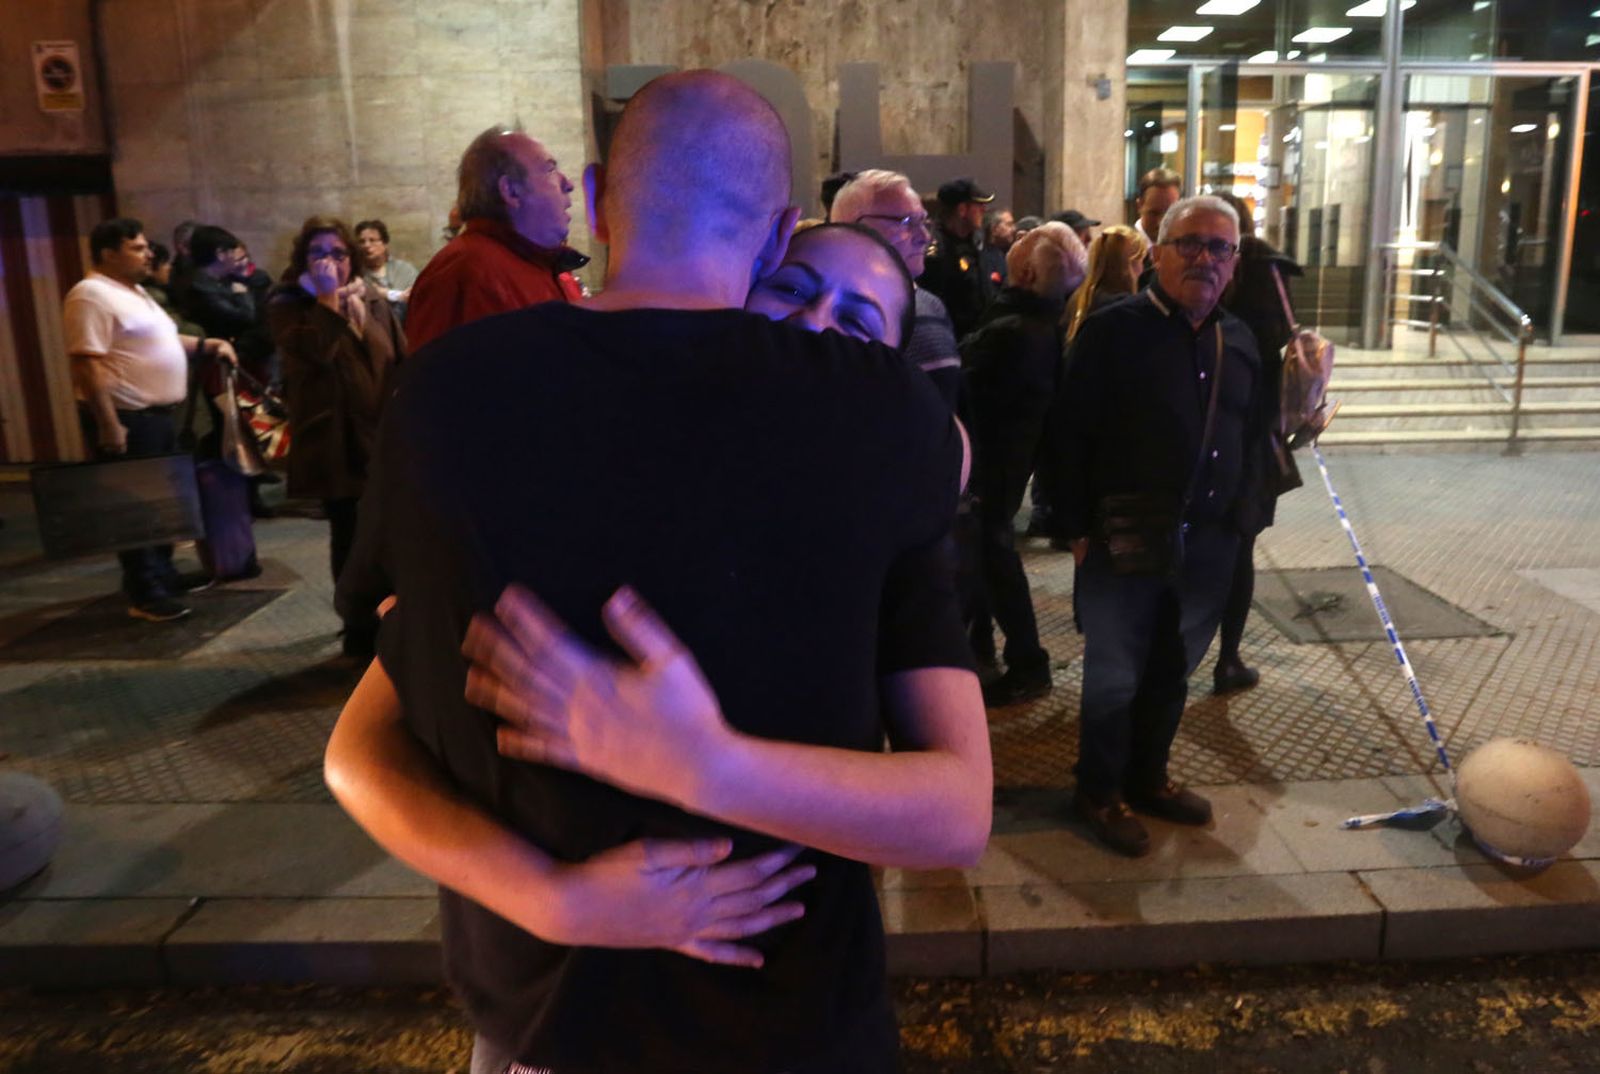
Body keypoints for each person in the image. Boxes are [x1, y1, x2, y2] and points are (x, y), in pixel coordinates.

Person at [324, 70, 990, 1074]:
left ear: (593, 198)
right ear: (772, 239)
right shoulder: (884, 421)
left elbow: (365, 746)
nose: (818, 332)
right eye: (799, 291)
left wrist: (683, 778)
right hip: (776, 1018)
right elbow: (363, 745)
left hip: (541, 1014)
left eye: (855, 321)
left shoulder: (444, 397)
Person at [1044, 195, 1260, 857]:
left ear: (1233, 262)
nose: (1203, 257)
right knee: (1114, 675)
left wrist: (1243, 523)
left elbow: (1252, 437)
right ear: (1157, 252)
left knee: (1174, 669)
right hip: (1122, 540)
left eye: (1218, 248)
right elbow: (1065, 435)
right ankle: (1099, 789)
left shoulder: (1241, 338)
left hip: (1210, 543)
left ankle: (1149, 777)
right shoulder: (1113, 330)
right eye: (1188, 243)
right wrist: (1075, 529)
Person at [62, 217, 237, 622]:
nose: (147, 254)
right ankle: (145, 591)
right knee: (135, 509)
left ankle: (162, 573)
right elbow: (86, 363)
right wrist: (108, 423)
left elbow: (163, 340)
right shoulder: (90, 295)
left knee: (161, 504)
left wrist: (208, 345)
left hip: (159, 417)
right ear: (109, 254)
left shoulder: (135, 292)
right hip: (129, 417)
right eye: (137, 248)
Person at [959, 222, 1086, 707]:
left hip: (992, 468)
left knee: (995, 559)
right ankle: (995, 650)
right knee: (990, 558)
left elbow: (965, 387)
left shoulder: (1015, 332)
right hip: (1005, 466)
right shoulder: (1037, 325)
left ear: (1029, 272)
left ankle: (1028, 661)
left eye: (1019, 249)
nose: (1009, 247)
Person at [268, 216, 404, 659]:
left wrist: (365, 318)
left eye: (339, 253)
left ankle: (391, 616)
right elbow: (312, 354)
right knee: (350, 536)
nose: (330, 262)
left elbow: (397, 358)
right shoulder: (290, 302)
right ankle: (357, 629)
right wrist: (326, 303)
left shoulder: (371, 299)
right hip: (334, 441)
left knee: (389, 532)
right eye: (319, 253)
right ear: (302, 259)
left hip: (380, 438)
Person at [1210, 191, 1305, 695]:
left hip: (1224, 425)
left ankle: (1214, 654)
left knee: (1221, 541)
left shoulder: (1254, 271)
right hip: (1256, 429)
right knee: (1239, 544)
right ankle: (1227, 657)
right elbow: (1286, 339)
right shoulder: (1270, 272)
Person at [405, 125, 585, 351]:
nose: (568, 184)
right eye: (549, 169)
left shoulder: (545, 265)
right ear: (510, 191)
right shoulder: (464, 274)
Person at [831, 169, 963, 409]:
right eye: (907, 222)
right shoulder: (830, 311)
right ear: (854, 226)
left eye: (924, 222)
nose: (925, 237)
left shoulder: (929, 304)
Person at [920, 177, 996, 340]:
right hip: (953, 339)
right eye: (979, 205)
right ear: (962, 209)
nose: (984, 209)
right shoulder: (936, 250)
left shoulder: (974, 242)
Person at [1065, 225, 1151, 343]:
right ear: (1130, 264)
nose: (1142, 269)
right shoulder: (1122, 308)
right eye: (1141, 261)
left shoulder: (1078, 297)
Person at [354, 219, 419, 325]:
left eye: (372, 240)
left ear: (384, 244)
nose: (366, 245)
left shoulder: (404, 270)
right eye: (362, 242)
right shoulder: (355, 273)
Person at [1132, 168, 1183, 283]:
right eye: (1154, 213)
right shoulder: (1122, 250)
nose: (1161, 221)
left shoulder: (1184, 250)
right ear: (1139, 206)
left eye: (1169, 213)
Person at [980, 207, 1016, 289]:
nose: (1014, 229)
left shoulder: (1010, 254)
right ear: (994, 229)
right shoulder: (985, 259)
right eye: (1009, 225)